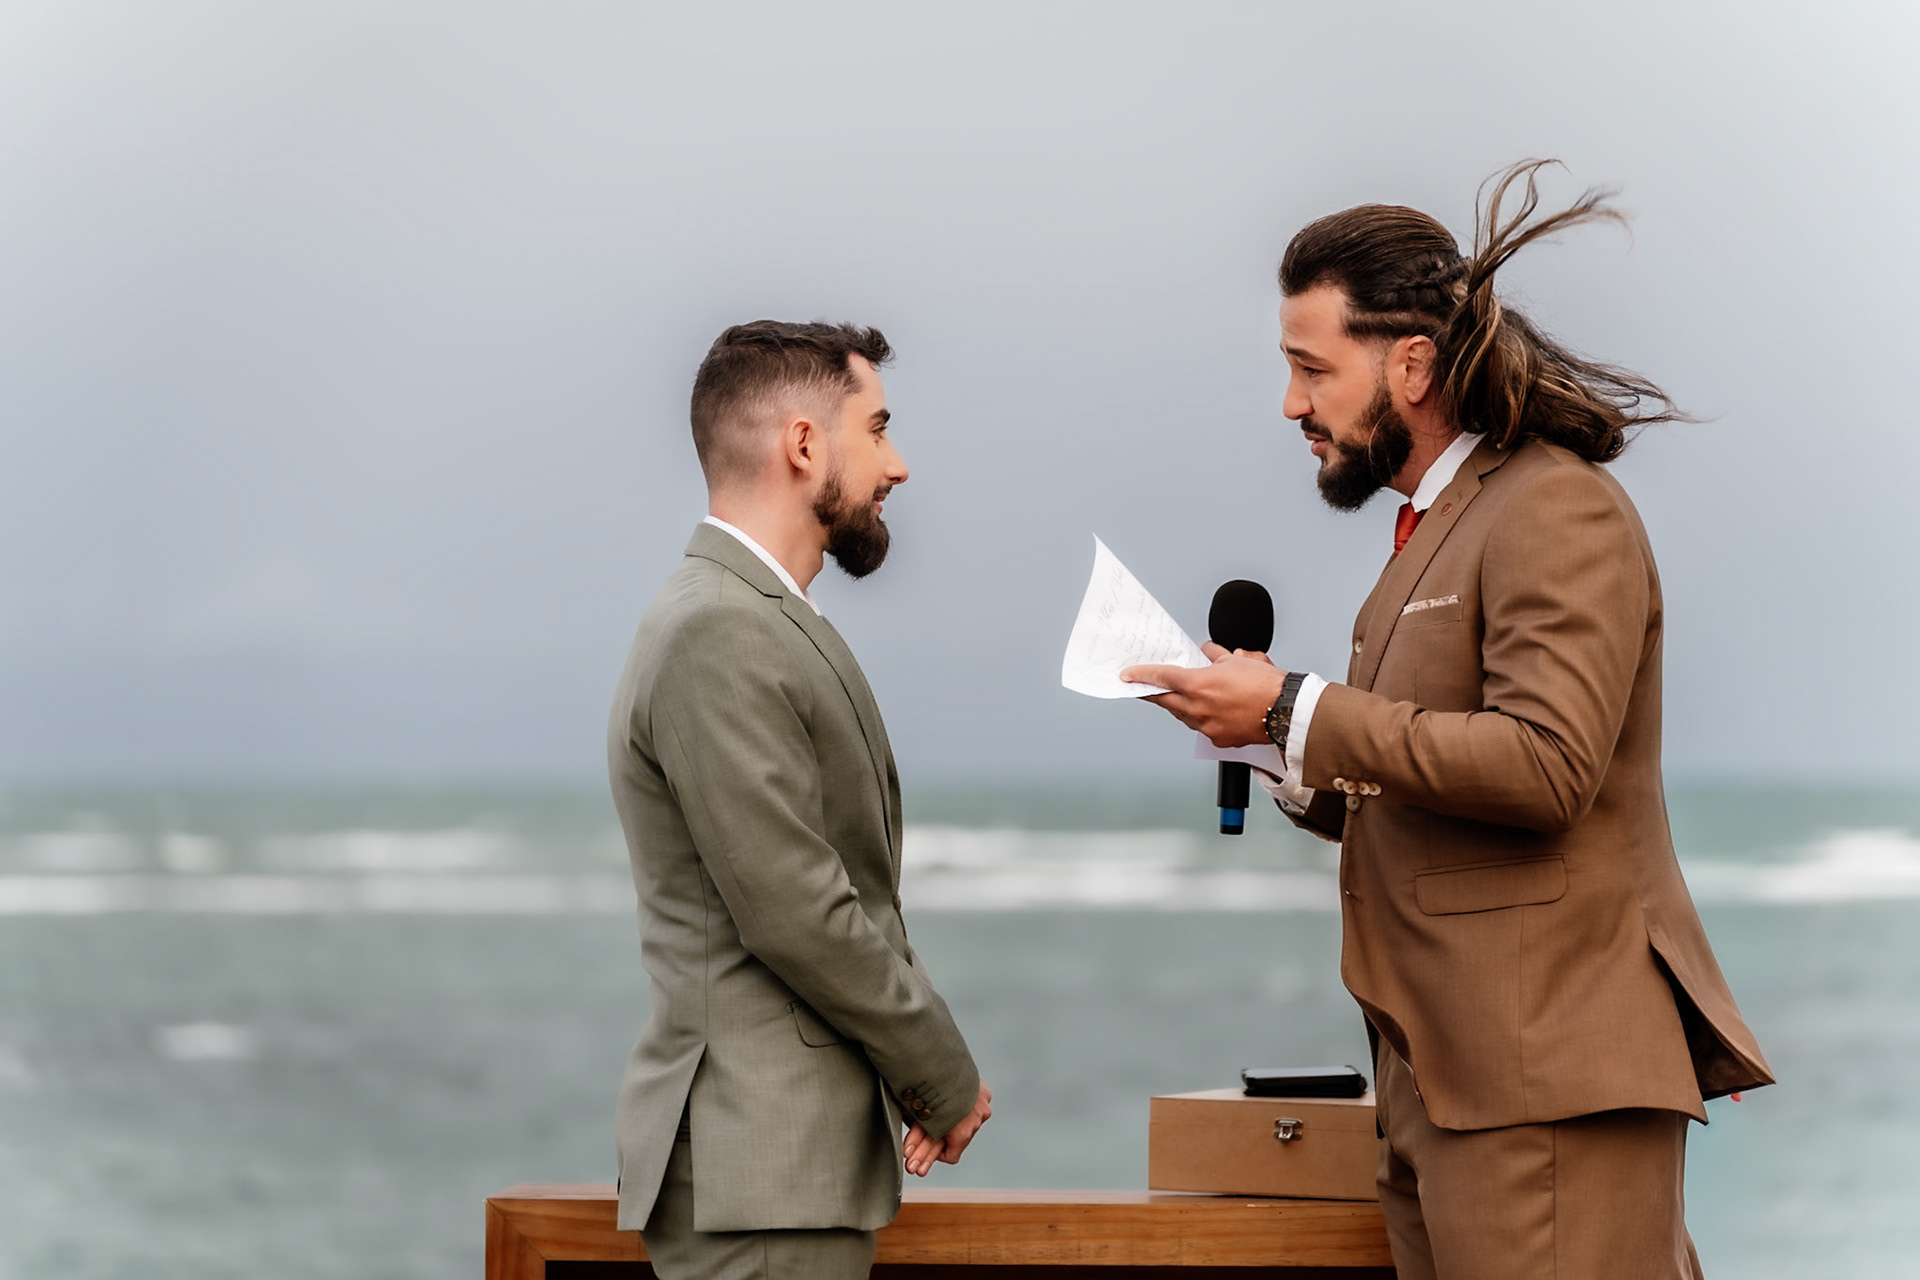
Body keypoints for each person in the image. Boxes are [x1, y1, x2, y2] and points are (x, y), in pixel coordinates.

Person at [1123, 162, 1773, 1280]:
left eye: (1310, 368)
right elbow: (1426, 777)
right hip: (1445, 1086)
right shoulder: (1434, 531)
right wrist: (1277, 740)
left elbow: (1546, 765)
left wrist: (1294, 702)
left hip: (1545, 1084)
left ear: (1411, 364)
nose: (1291, 403)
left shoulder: (1553, 504)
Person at [606, 320, 991, 1280]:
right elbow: (798, 909)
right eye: (879, 428)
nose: (898, 466)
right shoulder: (719, 632)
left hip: (780, 1175)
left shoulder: (756, 617)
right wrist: (942, 1075)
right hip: (759, 1174)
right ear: (804, 445)